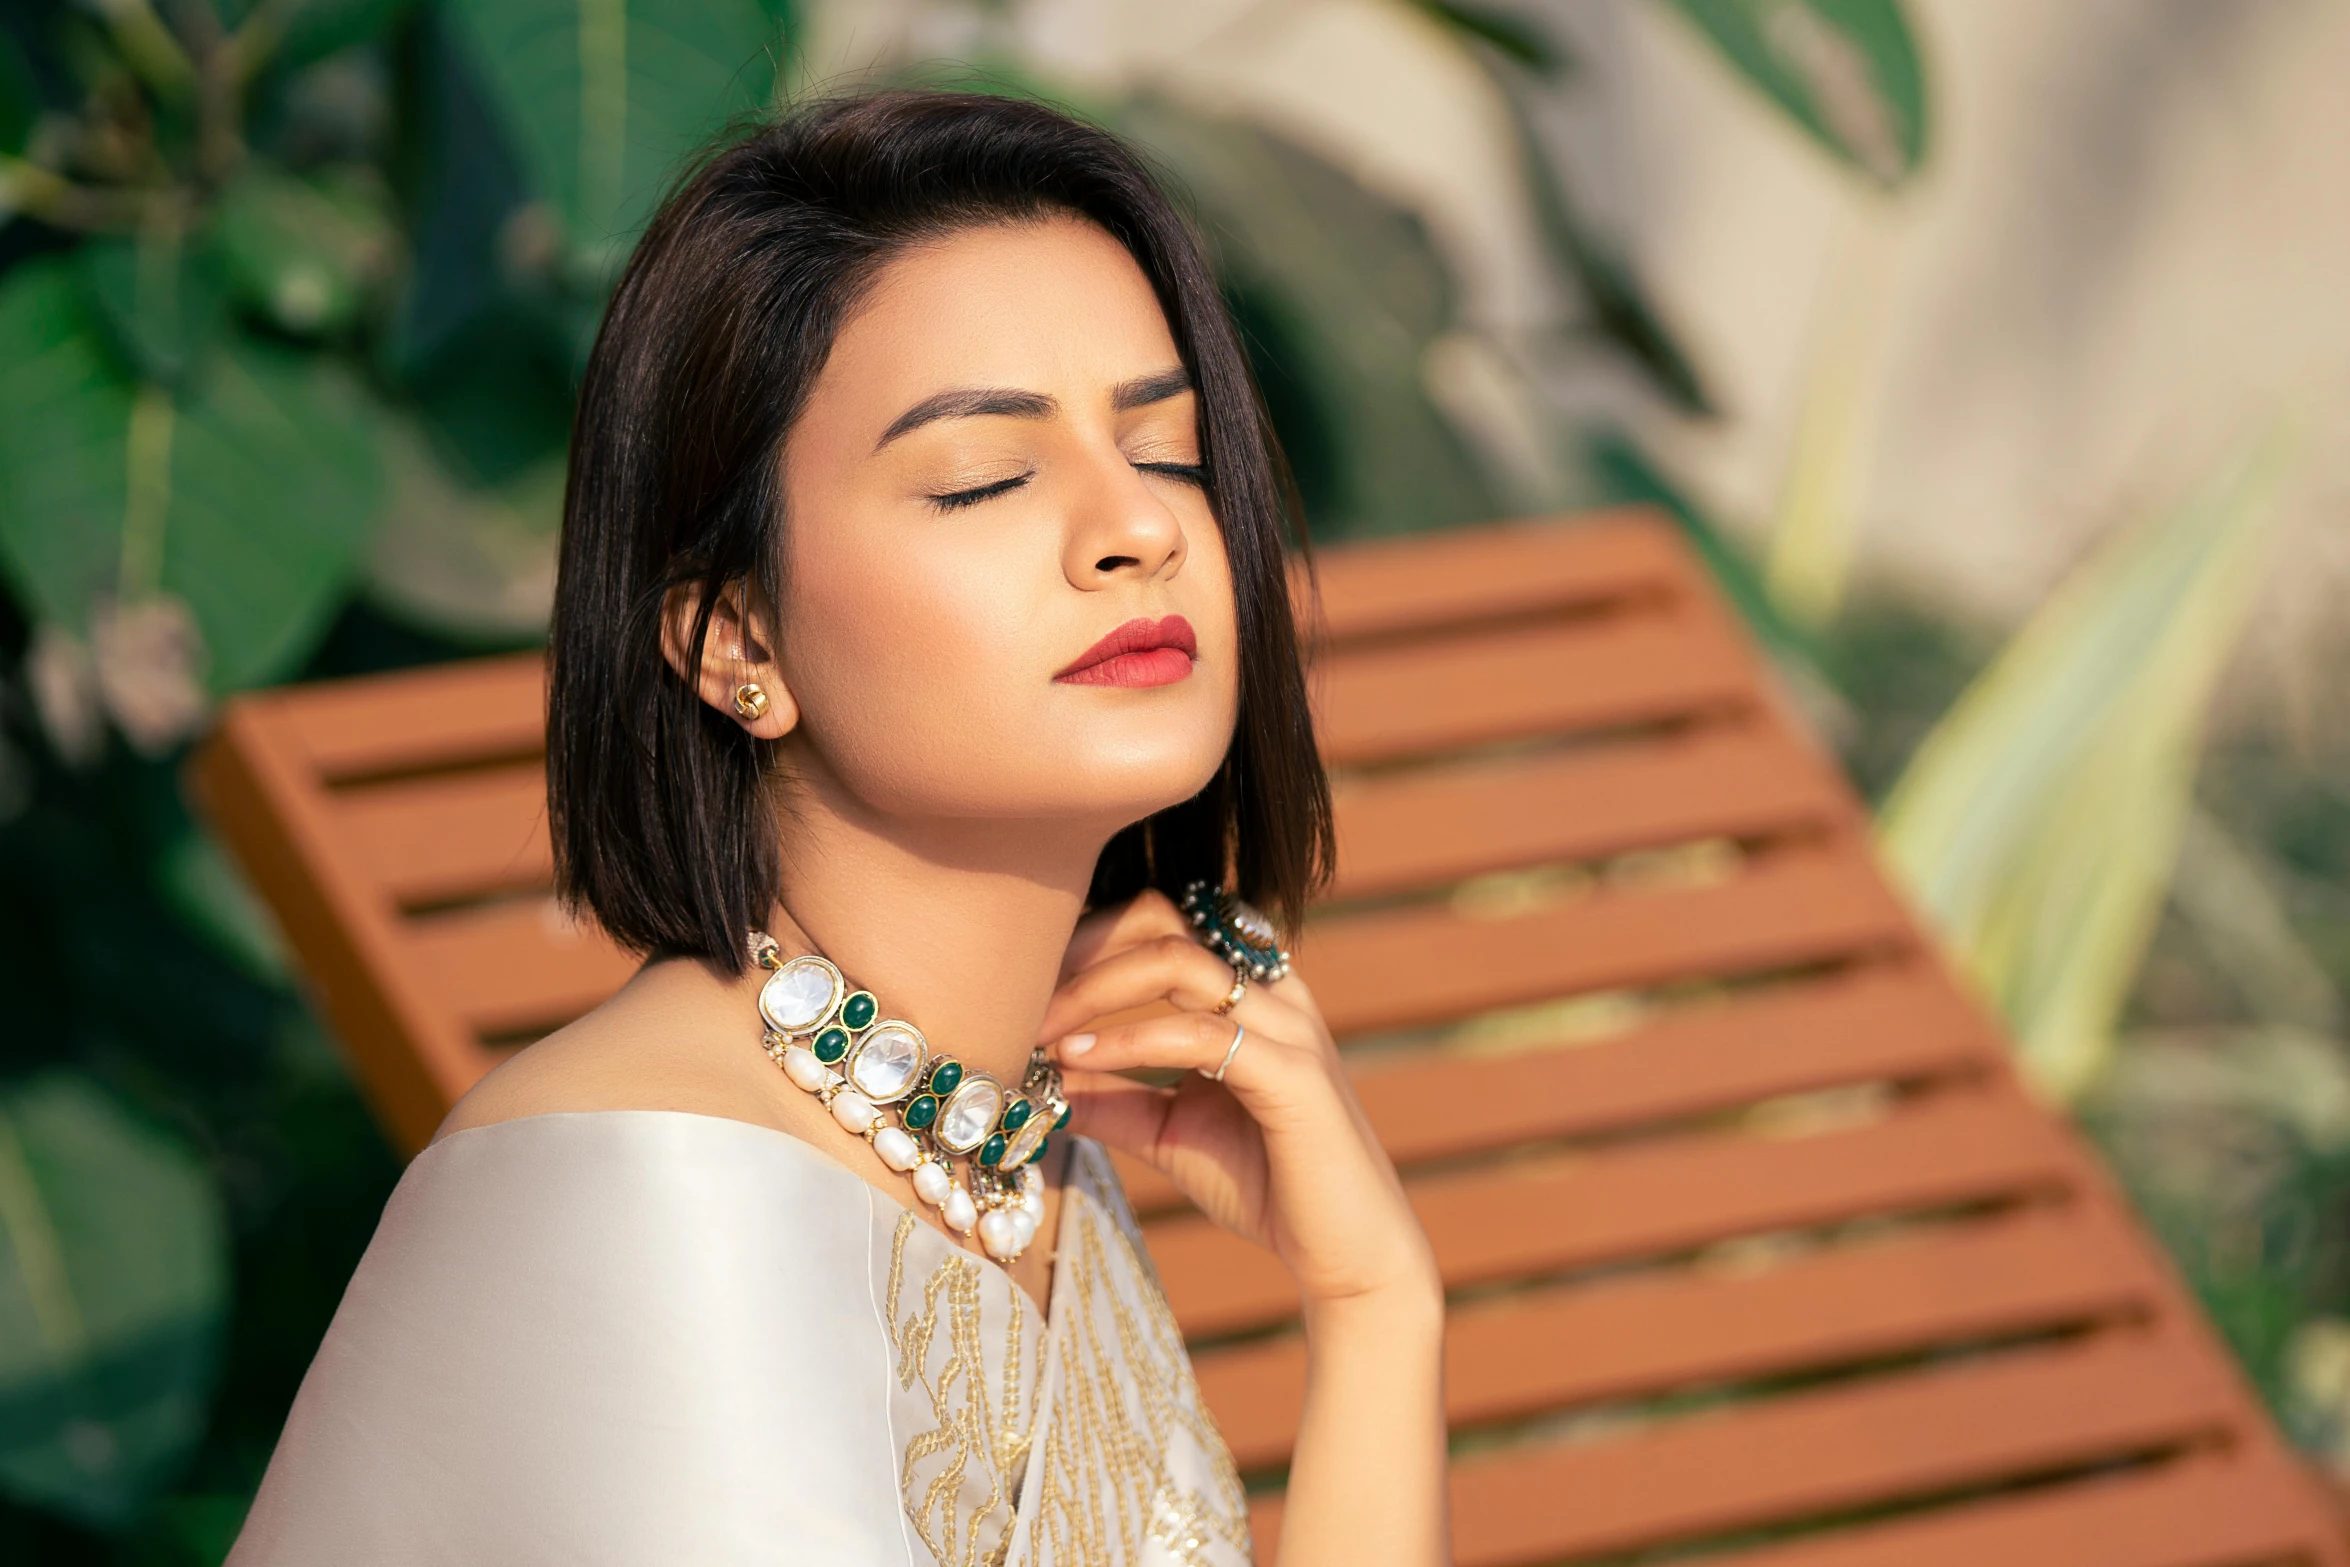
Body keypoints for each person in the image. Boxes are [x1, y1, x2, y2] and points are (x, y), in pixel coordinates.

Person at [228, 87, 1447, 1567]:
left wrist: (1377, 1301)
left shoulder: (1012, 1148)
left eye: (1170, 448)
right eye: (981, 476)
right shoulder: (658, 1189)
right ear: (735, 636)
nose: (1137, 525)